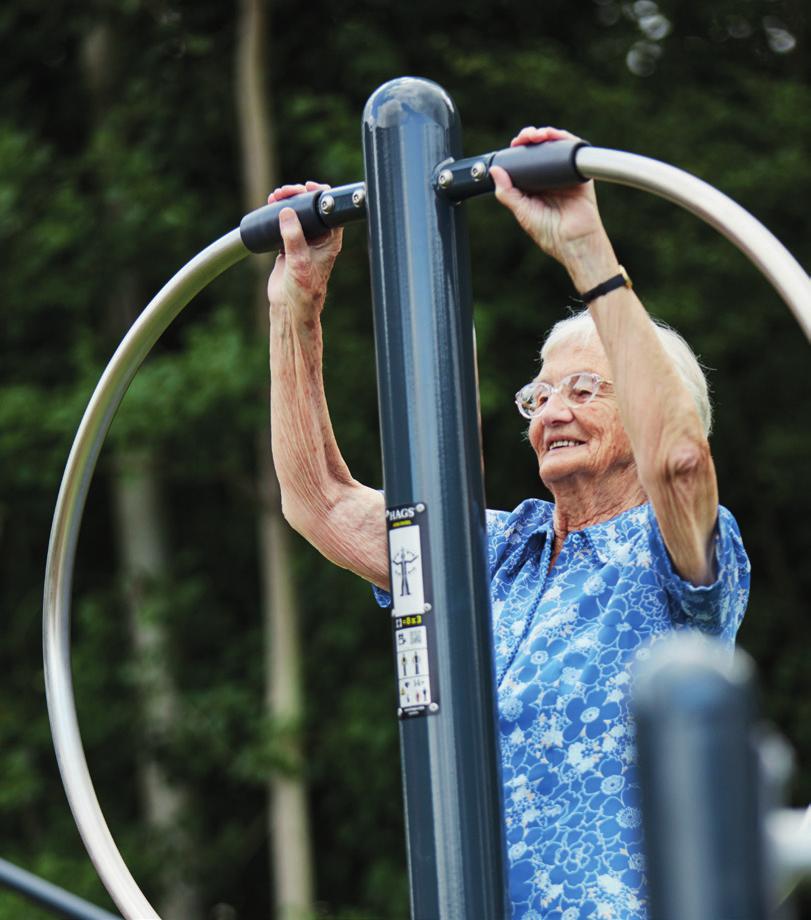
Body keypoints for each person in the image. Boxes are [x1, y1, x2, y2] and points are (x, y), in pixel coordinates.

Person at [266, 126, 750, 919]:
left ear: (649, 405)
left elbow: (679, 463)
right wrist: (297, 304)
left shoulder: (673, 555)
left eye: (586, 389)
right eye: (539, 396)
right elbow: (317, 500)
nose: (552, 411)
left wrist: (586, 250)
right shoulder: (486, 551)